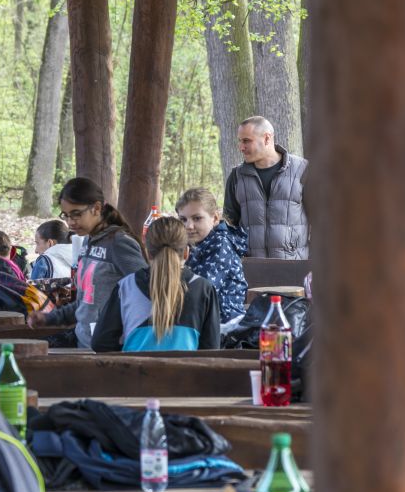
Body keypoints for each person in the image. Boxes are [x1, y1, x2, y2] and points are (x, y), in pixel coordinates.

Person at [28, 177, 147, 348]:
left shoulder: (119, 243)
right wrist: (49, 318)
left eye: (76, 214)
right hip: (83, 342)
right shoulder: (87, 242)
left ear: (96, 208)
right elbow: (85, 303)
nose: (70, 222)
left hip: (110, 350)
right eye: (66, 215)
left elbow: (145, 291)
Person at [93, 217, 220, 352]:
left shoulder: (126, 287)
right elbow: (211, 348)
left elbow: (101, 343)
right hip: (186, 372)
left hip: (134, 371)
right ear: (186, 253)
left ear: (147, 253)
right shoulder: (204, 289)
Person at [223, 116, 309, 259]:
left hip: (294, 268)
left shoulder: (302, 170)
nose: (241, 147)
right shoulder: (237, 176)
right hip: (251, 270)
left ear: (267, 138)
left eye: (246, 141)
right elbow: (229, 224)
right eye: (240, 141)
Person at [176, 187, 248, 324]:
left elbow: (203, 290)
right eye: (183, 219)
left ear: (215, 218)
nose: (189, 226)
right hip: (198, 318)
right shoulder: (190, 244)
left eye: (197, 218)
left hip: (225, 322)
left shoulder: (221, 244)